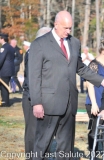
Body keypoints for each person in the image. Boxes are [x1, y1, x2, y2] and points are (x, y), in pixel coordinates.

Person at [28, 11, 104, 159]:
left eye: (70, 28)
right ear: (56, 24)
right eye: (65, 28)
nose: (68, 31)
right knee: (42, 145)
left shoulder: (74, 42)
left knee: (66, 148)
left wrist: (101, 80)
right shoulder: (40, 44)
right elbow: (34, 76)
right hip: (48, 104)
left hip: (70, 103)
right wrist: (36, 103)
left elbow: (80, 68)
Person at [22, 27, 51, 160]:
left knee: (45, 132)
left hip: (44, 97)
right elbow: (31, 78)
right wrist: (35, 100)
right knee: (32, 132)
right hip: (32, 98)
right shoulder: (32, 51)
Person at [85, 40, 104, 160]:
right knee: (95, 131)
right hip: (96, 103)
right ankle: (93, 154)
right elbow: (89, 84)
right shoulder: (94, 64)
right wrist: (93, 103)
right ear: (103, 51)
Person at [0, 33, 15, 107]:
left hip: (4, 70)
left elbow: (1, 60)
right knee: (5, 86)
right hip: (9, 70)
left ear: (2, 39)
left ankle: (5, 102)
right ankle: (5, 101)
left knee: (4, 87)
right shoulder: (10, 47)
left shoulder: (4, 48)